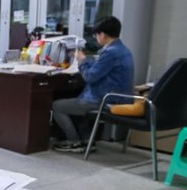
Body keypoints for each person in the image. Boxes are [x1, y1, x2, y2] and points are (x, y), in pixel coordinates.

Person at [52, 16, 134, 153]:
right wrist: (86, 60)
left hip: (107, 101)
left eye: (96, 35)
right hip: (119, 98)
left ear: (102, 34)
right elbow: (100, 69)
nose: (96, 38)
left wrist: (82, 61)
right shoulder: (123, 50)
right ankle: (87, 140)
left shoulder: (111, 53)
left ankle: (74, 142)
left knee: (57, 106)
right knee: (77, 99)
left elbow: (90, 77)